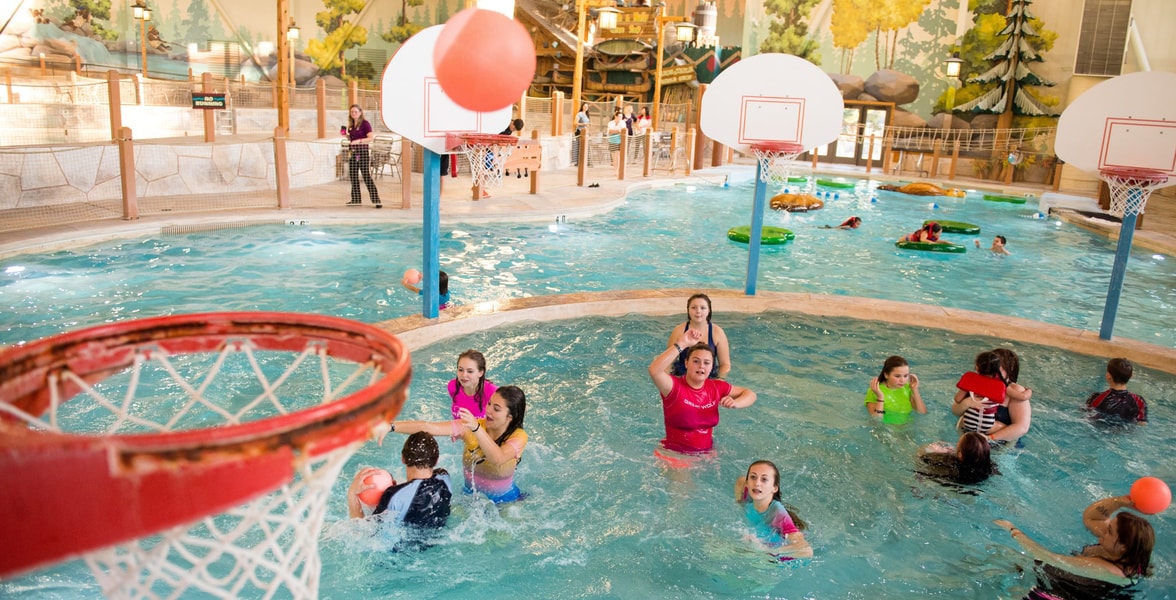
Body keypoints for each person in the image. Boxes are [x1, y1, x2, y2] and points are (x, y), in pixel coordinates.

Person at [380, 386, 528, 503]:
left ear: (510, 416)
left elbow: (498, 458)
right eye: (489, 403)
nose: (488, 410)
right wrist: (391, 426)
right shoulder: (471, 426)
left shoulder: (518, 436)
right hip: (470, 498)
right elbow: (429, 427)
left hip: (507, 501)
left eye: (496, 409)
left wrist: (475, 428)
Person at [994, 494, 1155, 598]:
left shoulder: (1106, 570)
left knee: (1003, 559)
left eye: (1110, 530)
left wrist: (1012, 530)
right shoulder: (1125, 551)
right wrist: (1119, 502)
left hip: (1060, 594)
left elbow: (1048, 557)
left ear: (1123, 547)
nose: (1104, 529)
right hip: (1066, 578)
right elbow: (1091, 518)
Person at [649, 327, 756, 456]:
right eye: (696, 361)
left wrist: (735, 403)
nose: (701, 366)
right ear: (686, 363)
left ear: (711, 367)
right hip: (676, 456)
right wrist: (682, 344)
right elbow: (654, 370)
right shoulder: (673, 387)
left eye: (706, 363)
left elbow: (750, 394)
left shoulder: (716, 387)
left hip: (707, 454)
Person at [347, 432, 453, 531]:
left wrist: (352, 494)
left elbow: (365, 533)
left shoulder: (393, 495)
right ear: (437, 460)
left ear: (403, 458)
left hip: (403, 549)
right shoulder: (444, 477)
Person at [735, 460, 812, 560]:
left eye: (764, 479)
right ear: (747, 482)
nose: (757, 483)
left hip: (776, 552)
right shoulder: (744, 489)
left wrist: (766, 550)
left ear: (774, 488)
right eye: (753, 477)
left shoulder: (778, 513)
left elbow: (806, 551)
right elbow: (741, 482)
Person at [666, 293, 731, 379]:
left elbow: (725, 364)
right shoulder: (679, 331)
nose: (698, 311)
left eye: (703, 308)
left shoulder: (717, 332)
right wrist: (666, 379)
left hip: (709, 377)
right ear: (688, 310)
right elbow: (669, 361)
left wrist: (719, 380)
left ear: (709, 311)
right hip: (683, 376)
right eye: (694, 307)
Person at [952, 350, 1008, 436]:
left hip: (968, 420)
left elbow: (957, 399)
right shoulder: (1001, 385)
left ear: (977, 367)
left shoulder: (970, 378)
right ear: (997, 370)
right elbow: (1000, 401)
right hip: (987, 423)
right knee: (1009, 430)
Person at [916, 432, 997, 485]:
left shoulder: (948, 463)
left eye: (958, 444)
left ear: (960, 455)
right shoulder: (990, 468)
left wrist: (935, 450)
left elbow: (921, 455)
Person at [989, 347, 1034, 444]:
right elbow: (957, 410)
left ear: (1009, 370)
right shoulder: (980, 384)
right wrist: (967, 403)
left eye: (996, 367)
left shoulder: (1017, 391)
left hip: (1005, 447)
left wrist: (990, 438)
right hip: (976, 443)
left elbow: (1022, 428)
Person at [864, 355, 926, 424]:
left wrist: (915, 390)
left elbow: (922, 413)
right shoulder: (876, 390)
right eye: (897, 376)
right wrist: (880, 398)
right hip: (887, 429)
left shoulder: (907, 388)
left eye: (905, 376)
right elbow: (877, 420)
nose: (902, 380)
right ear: (886, 375)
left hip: (907, 427)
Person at [1085, 358, 1148, 424]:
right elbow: (1142, 424)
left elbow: (1085, 417)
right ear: (1131, 376)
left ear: (1108, 376)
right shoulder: (1139, 401)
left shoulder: (1096, 397)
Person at [343, 104, 381, 208]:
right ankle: (356, 200)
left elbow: (370, 138)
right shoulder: (351, 125)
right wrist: (346, 136)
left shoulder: (365, 124)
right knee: (353, 176)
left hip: (362, 153)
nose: (353, 113)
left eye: (355, 112)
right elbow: (352, 140)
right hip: (353, 153)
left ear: (360, 113)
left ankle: (376, 200)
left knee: (366, 176)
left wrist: (358, 141)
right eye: (352, 112)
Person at [448, 349, 498, 419]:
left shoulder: (493, 392)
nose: (464, 375)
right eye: (460, 370)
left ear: (481, 373)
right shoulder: (453, 386)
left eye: (470, 371)